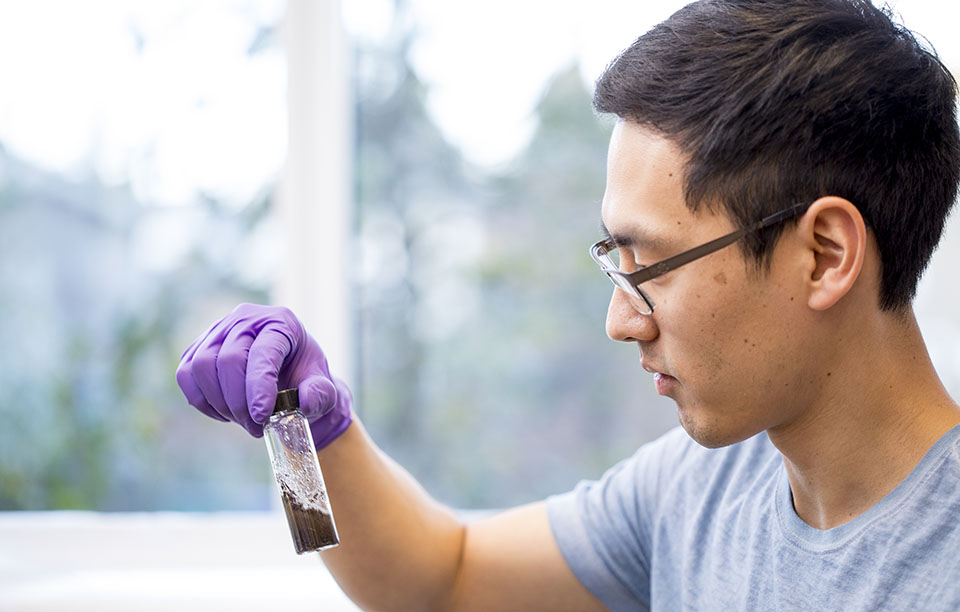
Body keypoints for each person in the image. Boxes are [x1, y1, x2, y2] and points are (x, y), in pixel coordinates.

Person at [176, 0, 960, 609]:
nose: (621, 321)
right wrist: (298, 437)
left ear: (824, 254)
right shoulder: (698, 490)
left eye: (650, 263)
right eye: (614, 266)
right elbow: (436, 584)